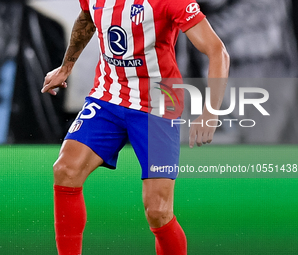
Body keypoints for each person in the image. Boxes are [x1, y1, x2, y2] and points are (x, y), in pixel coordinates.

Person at [41, 0, 229, 254]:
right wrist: (66, 67)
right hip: (107, 98)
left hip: (158, 104)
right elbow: (87, 18)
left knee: (158, 211)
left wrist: (211, 111)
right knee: (65, 169)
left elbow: (217, 51)